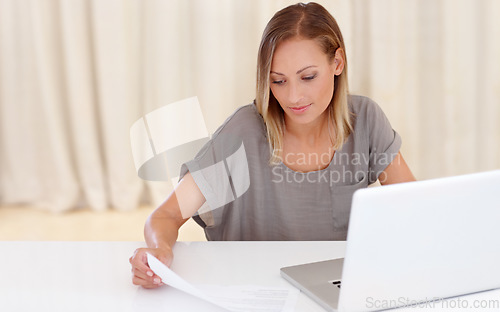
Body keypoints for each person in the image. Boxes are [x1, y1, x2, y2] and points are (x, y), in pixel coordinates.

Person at [130, 2, 415, 289]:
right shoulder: (243, 132)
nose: (293, 97)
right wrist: (159, 251)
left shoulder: (365, 119)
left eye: (308, 77)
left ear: (337, 62)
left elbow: (414, 208)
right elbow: (165, 215)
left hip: (339, 290)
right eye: (278, 81)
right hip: (256, 289)